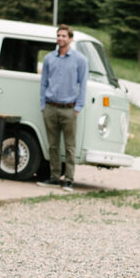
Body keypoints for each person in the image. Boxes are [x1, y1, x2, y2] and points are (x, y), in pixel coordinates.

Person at [37, 24, 88, 192]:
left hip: (69, 109)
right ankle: (54, 176)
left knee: (70, 146)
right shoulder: (50, 58)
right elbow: (43, 82)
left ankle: (69, 179)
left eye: (64, 36)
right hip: (50, 107)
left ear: (70, 39)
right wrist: (43, 105)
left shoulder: (80, 60)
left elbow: (83, 85)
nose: (60, 38)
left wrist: (78, 107)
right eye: (59, 35)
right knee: (53, 145)